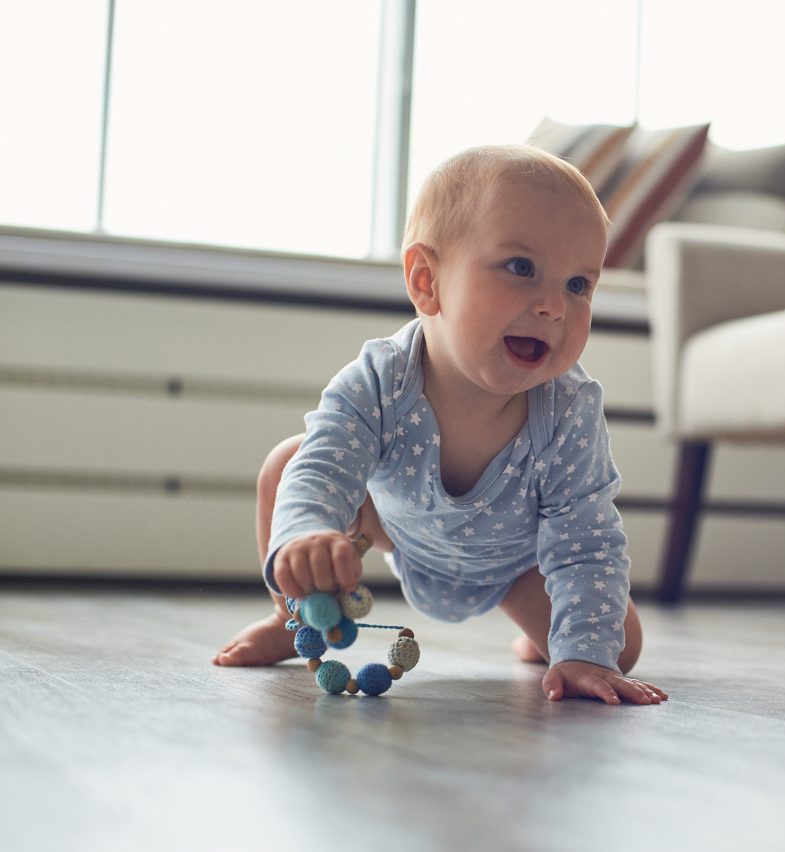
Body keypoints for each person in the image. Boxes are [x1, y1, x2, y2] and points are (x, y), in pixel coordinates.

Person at [213, 144, 667, 706]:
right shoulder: (380, 382)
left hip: (518, 565)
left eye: (579, 284)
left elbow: (587, 541)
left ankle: (544, 638)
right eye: (521, 268)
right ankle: (292, 620)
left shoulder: (569, 410)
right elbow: (324, 465)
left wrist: (583, 652)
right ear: (426, 280)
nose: (554, 305)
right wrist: (308, 533)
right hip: (391, 525)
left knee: (617, 647)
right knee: (288, 462)